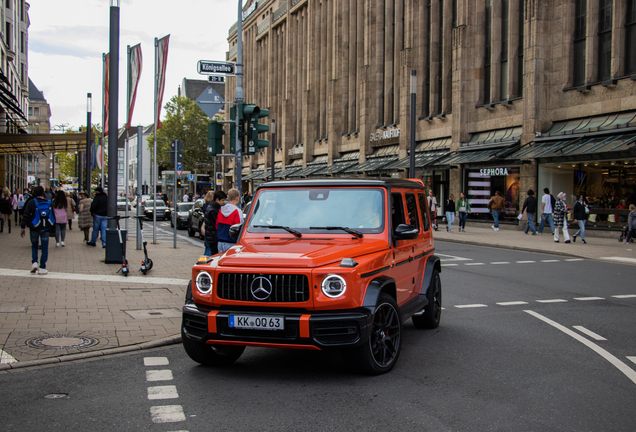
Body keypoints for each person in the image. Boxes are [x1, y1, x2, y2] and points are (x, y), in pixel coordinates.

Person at [20, 186, 53, 275]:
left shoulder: (31, 202)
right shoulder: (49, 203)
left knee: (34, 245)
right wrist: (52, 229)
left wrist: (23, 227)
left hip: (34, 227)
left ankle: (34, 263)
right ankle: (42, 267)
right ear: (43, 193)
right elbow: (53, 216)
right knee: (44, 247)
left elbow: (26, 215)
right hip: (45, 228)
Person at [216, 188, 243, 252]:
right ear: (237, 198)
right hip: (231, 242)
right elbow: (240, 228)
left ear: (228, 199)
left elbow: (216, 226)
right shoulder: (237, 211)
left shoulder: (221, 210)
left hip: (220, 242)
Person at [203, 190, 227, 256]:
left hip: (210, 236)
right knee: (213, 255)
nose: (223, 202)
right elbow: (215, 225)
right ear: (217, 199)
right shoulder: (213, 210)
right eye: (222, 200)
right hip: (213, 237)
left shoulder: (211, 207)